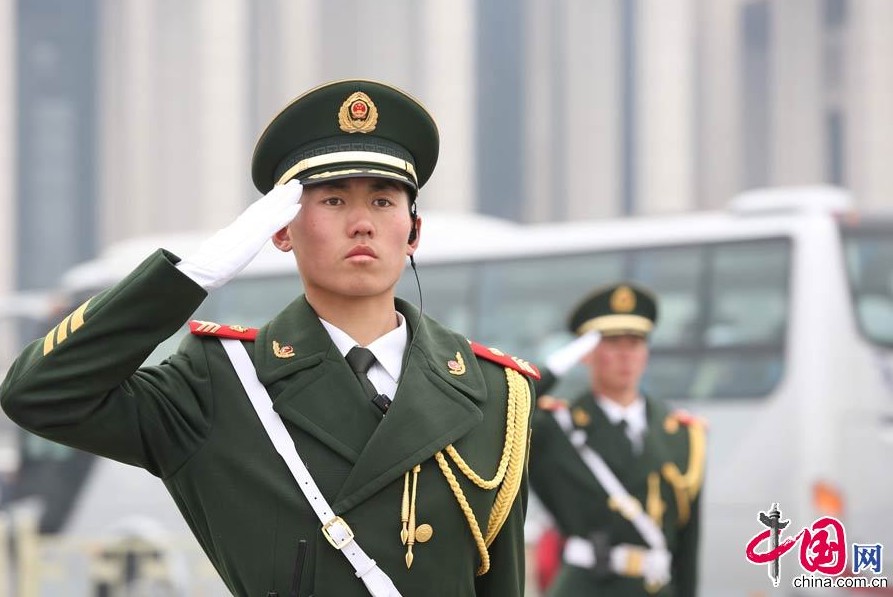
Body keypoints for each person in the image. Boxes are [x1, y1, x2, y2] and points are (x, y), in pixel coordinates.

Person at [1, 79, 539, 597]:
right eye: (333, 201)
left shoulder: (495, 391)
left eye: (382, 202)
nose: (362, 224)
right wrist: (189, 277)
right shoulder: (221, 382)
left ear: (413, 231)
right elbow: (39, 392)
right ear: (280, 230)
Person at [528, 283, 705, 597]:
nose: (626, 355)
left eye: (635, 343)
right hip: (585, 588)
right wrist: (556, 366)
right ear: (587, 353)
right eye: (611, 343)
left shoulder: (683, 435)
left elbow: (687, 548)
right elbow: (504, 409)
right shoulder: (556, 428)